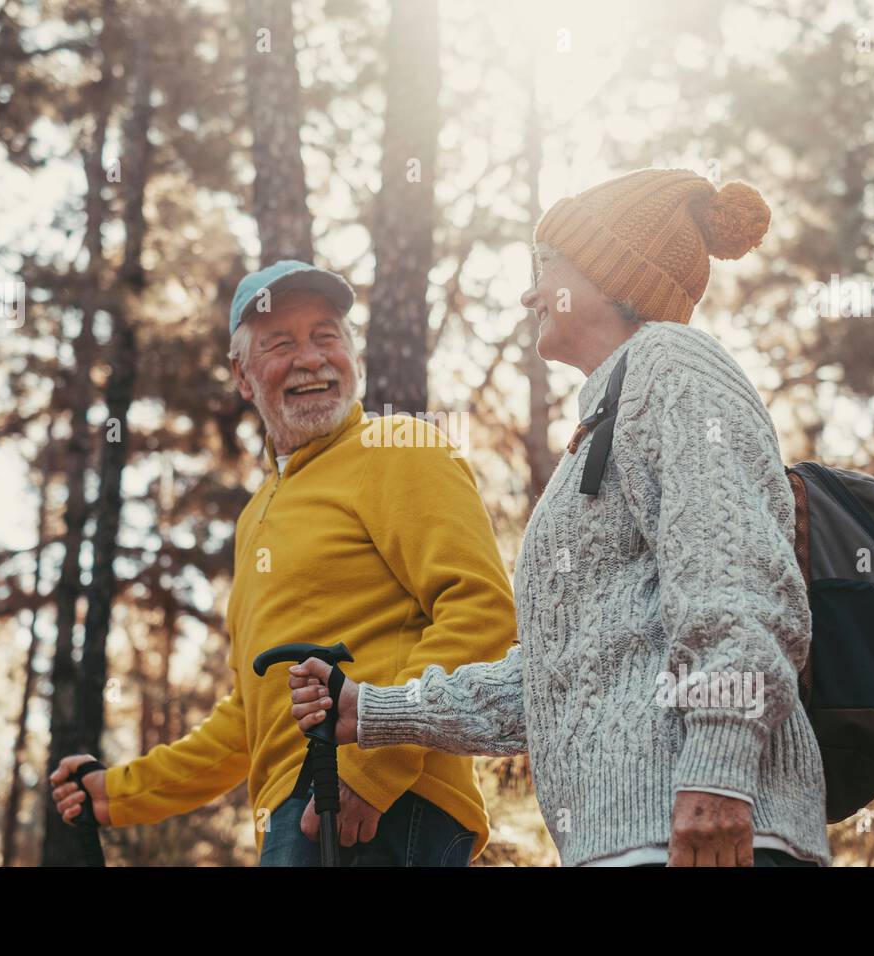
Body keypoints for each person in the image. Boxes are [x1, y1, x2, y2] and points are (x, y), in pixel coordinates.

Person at [289, 169, 832, 867]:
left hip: (710, 831)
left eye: (545, 268)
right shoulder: (600, 424)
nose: (530, 293)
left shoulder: (675, 364)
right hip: (626, 843)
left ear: (609, 274)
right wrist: (376, 711)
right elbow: (556, 678)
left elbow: (737, 582)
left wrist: (718, 774)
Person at [51, 259, 517, 866]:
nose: (311, 358)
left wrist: (371, 772)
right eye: (281, 344)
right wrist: (116, 794)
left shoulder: (398, 449)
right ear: (241, 376)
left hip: (387, 805)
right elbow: (251, 711)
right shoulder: (256, 518)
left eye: (327, 336)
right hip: (295, 814)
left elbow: (483, 613)